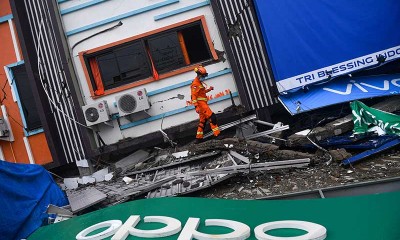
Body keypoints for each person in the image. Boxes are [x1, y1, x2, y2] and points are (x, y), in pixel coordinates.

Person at [191, 65, 220, 143]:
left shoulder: (199, 82)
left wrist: (209, 90)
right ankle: (217, 135)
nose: (204, 77)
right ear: (199, 75)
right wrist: (196, 106)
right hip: (201, 105)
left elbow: (202, 93)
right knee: (212, 117)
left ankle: (198, 138)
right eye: (203, 76)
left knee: (202, 122)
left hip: (202, 104)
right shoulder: (195, 84)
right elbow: (193, 96)